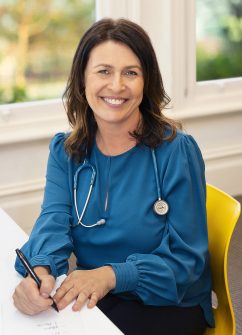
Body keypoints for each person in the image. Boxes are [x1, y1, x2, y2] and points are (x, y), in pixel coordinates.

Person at [13, 18, 215, 335]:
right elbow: (53, 221)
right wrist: (37, 273)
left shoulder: (176, 151)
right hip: (99, 293)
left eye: (131, 73)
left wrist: (111, 275)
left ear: (146, 82)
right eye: (104, 71)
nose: (117, 85)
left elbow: (187, 264)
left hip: (168, 302)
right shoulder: (66, 152)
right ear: (82, 79)